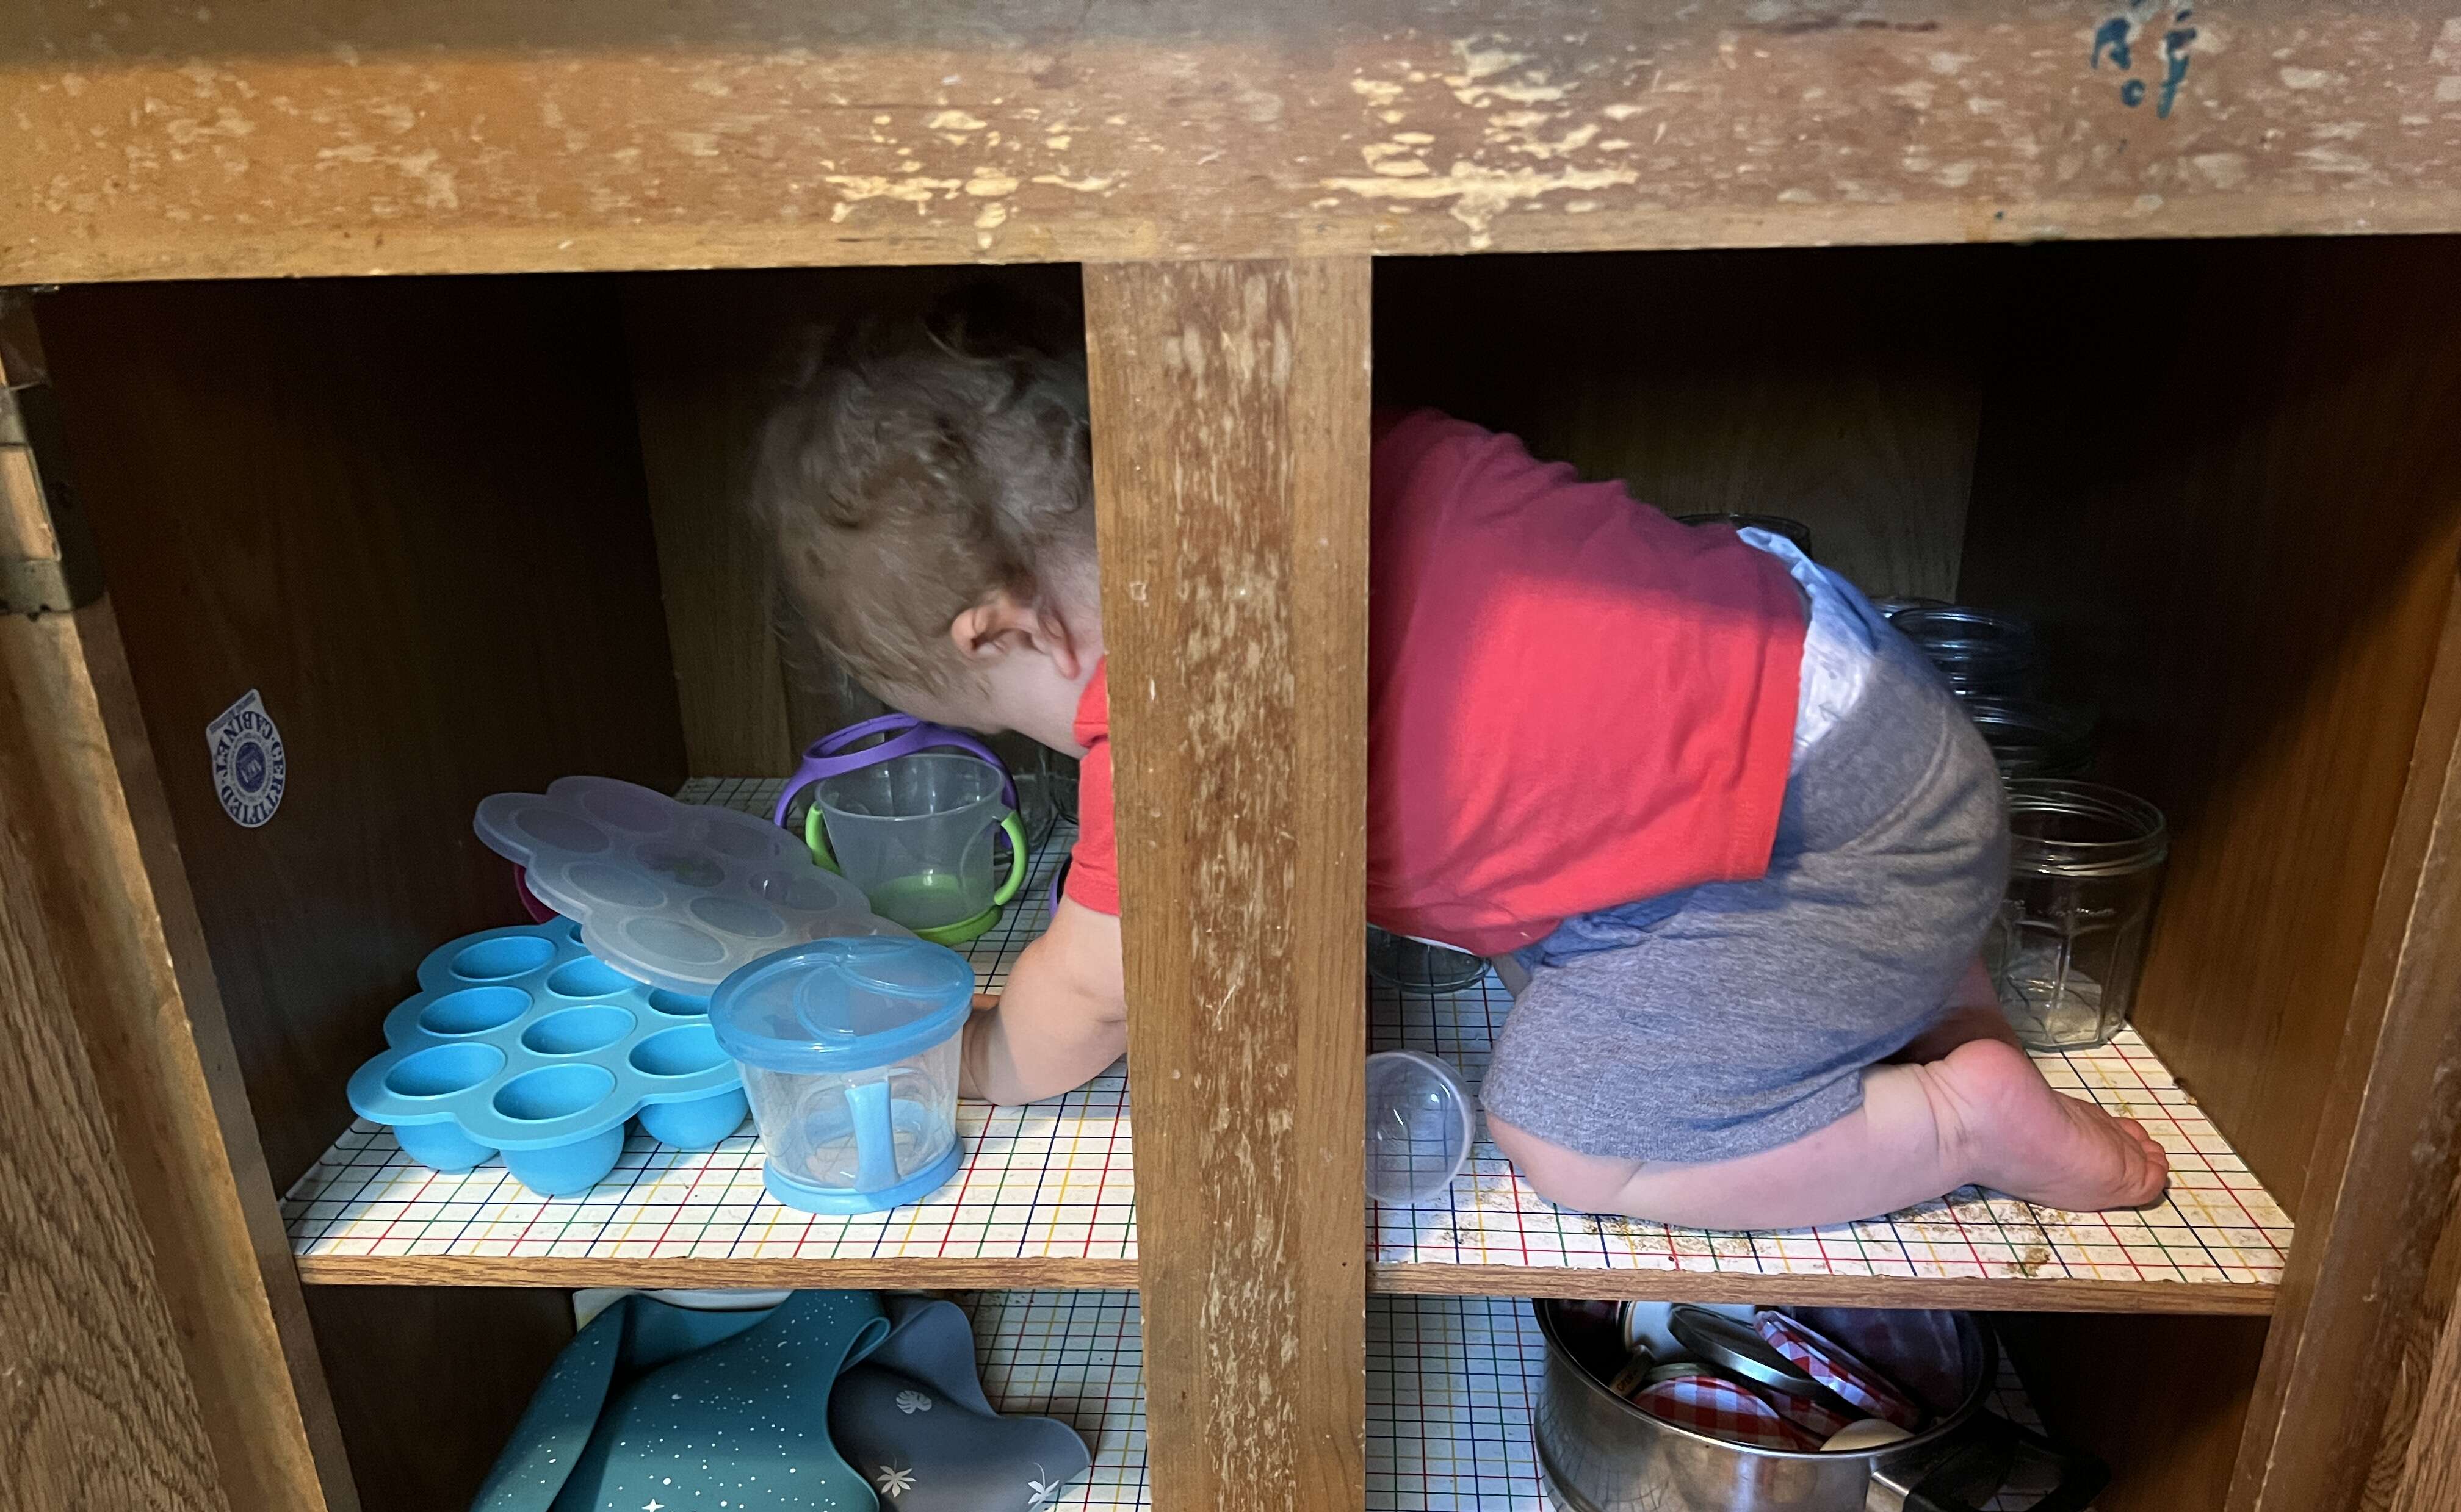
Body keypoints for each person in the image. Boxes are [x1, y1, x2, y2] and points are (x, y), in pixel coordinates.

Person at [753, 311, 2166, 1232]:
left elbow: (1093, 998)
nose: (1058, 748)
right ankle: (1926, 995)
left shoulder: (1182, 691)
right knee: (1565, 937)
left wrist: (966, 1057)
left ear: (1006, 631)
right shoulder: (1318, 464)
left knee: (1571, 1143)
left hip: (1835, 851)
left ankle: (1959, 1122)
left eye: (1010, 719)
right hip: (1872, 726)